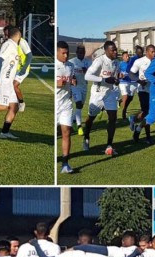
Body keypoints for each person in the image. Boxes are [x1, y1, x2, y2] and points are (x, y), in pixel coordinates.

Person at [83, 41, 120, 155]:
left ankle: (109, 145)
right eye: (112, 50)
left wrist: (116, 80)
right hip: (97, 94)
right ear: (106, 51)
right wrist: (103, 80)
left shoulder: (116, 62)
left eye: (115, 49)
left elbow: (114, 77)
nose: (115, 52)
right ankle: (86, 136)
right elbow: (87, 75)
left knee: (113, 117)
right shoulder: (99, 60)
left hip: (109, 93)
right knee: (91, 118)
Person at [129, 45, 155, 144]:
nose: (154, 54)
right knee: (147, 112)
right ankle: (147, 137)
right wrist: (139, 81)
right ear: (147, 52)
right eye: (152, 52)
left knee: (150, 113)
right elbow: (131, 73)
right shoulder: (139, 61)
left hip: (153, 90)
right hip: (142, 90)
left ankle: (136, 122)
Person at [56, 41, 76, 174]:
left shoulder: (70, 66)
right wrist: (57, 83)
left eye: (67, 53)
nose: (65, 55)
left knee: (66, 131)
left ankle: (65, 164)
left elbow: (73, 78)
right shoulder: (55, 66)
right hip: (55, 104)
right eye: (63, 53)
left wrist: (74, 81)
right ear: (57, 52)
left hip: (66, 104)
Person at [2, 25, 33, 112]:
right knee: (8, 85)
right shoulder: (11, 43)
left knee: (14, 85)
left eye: (6, 34)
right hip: (14, 69)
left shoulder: (22, 42)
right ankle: (9, 103)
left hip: (23, 69)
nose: (6, 36)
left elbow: (30, 56)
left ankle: (21, 103)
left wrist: (24, 68)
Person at [69, 45, 92, 136]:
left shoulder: (88, 62)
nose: (81, 54)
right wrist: (72, 78)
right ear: (76, 53)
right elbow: (68, 74)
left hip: (84, 87)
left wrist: (87, 71)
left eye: (83, 52)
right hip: (75, 87)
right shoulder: (72, 62)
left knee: (80, 107)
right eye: (80, 52)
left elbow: (92, 74)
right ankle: (79, 127)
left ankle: (74, 120)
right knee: (78, 104)